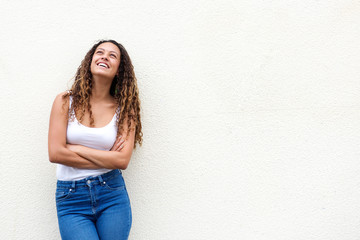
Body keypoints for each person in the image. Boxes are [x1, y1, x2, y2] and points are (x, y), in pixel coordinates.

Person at [48, 39, 143, 240]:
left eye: (112, 55)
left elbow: (121, 161)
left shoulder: (125, 109)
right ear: (90, 62)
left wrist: (76, 148)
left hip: (111, 195)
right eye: (100, 52)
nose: (104, 57)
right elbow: (56, 153)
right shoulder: (65, 101)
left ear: (119, 70)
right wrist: (106, 157)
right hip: (71, 199)